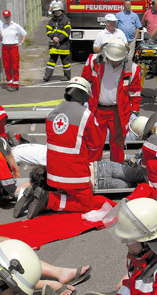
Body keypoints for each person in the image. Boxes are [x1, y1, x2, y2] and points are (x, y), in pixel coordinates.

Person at [15, 77, 100, 219]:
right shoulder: (86, 115)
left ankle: (39, 195)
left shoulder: (51, 113)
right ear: (84, 96)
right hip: (74, 173)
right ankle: (49, 200)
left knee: (67, 193)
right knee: (86, 204)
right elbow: (95, 144)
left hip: (53, 174)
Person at [82, 37, 142, 164]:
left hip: (119, 111)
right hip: (97, 109)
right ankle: (91, 169)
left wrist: (134, 112)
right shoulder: (94, 61)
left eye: (117, 60)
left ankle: (117, 169)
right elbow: (84, 82)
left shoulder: (133, 69)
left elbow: (135, 93)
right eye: (111, 59)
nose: (114, 62)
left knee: (118, 144)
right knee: (94, 142)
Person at [0, 10, 27, 92]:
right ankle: (9, 83)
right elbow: (1, 39)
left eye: (8, 17)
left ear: (10, 17)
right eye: (5, 17)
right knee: (7, 66)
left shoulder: (15, 25)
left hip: (13, 46)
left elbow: (24, 33)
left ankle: (15, 84)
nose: (6, 19)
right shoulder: (2, 26)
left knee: (15, 66)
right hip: (5, 46)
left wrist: (21, 42)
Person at [44, 3, 72, 82]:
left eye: (58, 11)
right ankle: (47, 76)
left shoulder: (66, 20)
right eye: (55, 11)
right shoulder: (51, 21)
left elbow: (67, 32)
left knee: (65, 61)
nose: (57, 12)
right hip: (55, 45)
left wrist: (59, 39)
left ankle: (67, 76)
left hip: (63, 44)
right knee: (51, 61)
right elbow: (48, 30)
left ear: (61, 11)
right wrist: (53, 37)